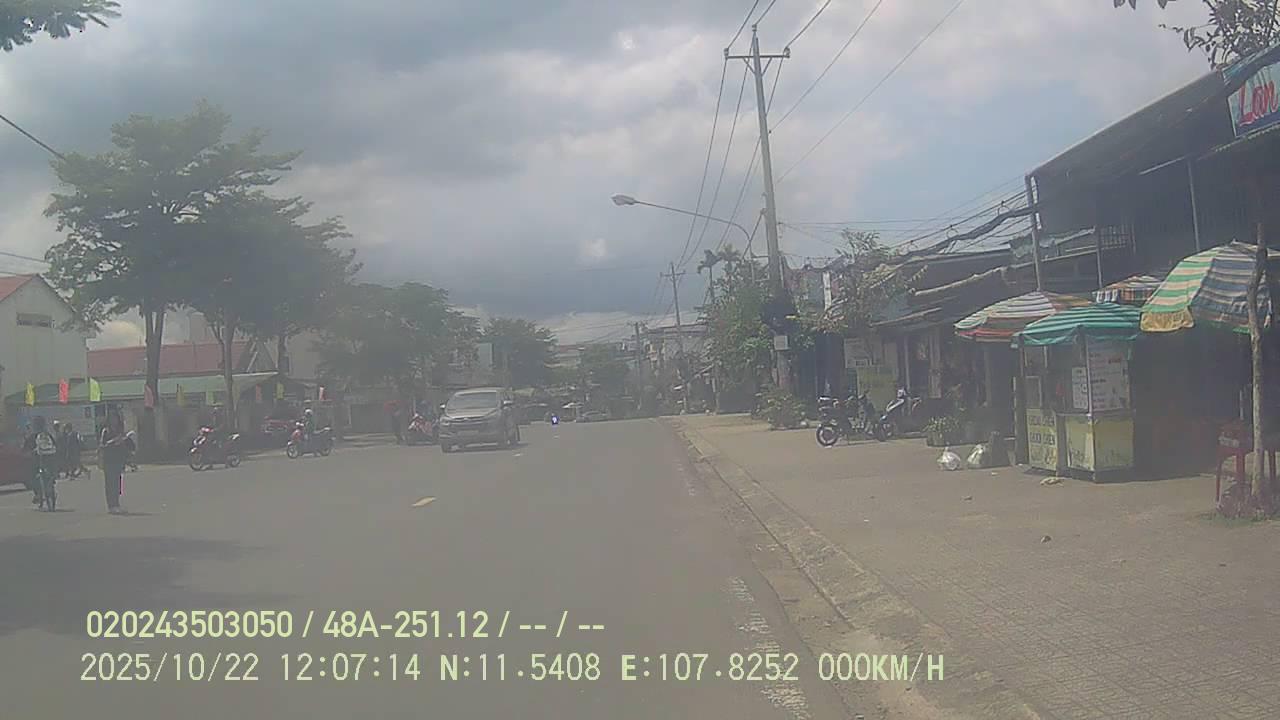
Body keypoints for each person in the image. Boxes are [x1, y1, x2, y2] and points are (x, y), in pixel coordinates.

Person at [23, 416, 60, 506]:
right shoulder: (47, 435)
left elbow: (25, 449)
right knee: (51, 473)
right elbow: (55, 446)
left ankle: (38, 494)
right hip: (49, 461)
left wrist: (27, 453)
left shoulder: (33, 437)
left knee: (31, 475)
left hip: (37, 461)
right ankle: (52, 483)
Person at [99, 413, 129, 514]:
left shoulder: (119, 431)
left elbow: (123, 447)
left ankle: (116, 504)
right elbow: (102, 445)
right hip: (108, 461)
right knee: (110, 483)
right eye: (112, 419)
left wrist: (122, 442)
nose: (114, 421)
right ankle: (111, 505)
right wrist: (113, 441)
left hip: (118, 460)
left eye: (115, 418)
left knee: (117, 484)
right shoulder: (105, 431)